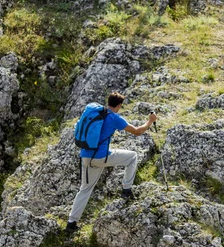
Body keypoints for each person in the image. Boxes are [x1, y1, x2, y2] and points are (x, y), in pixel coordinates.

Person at [65, 92, 157, 233]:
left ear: (108, 102)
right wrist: (150, 121)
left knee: (85, 189)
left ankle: (71, 223)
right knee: (132, 156)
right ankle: (126, 190)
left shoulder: (97, 113)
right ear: (119, 105)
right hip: (101, 157)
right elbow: (138, 131)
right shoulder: (114, 118)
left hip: (85, 156)